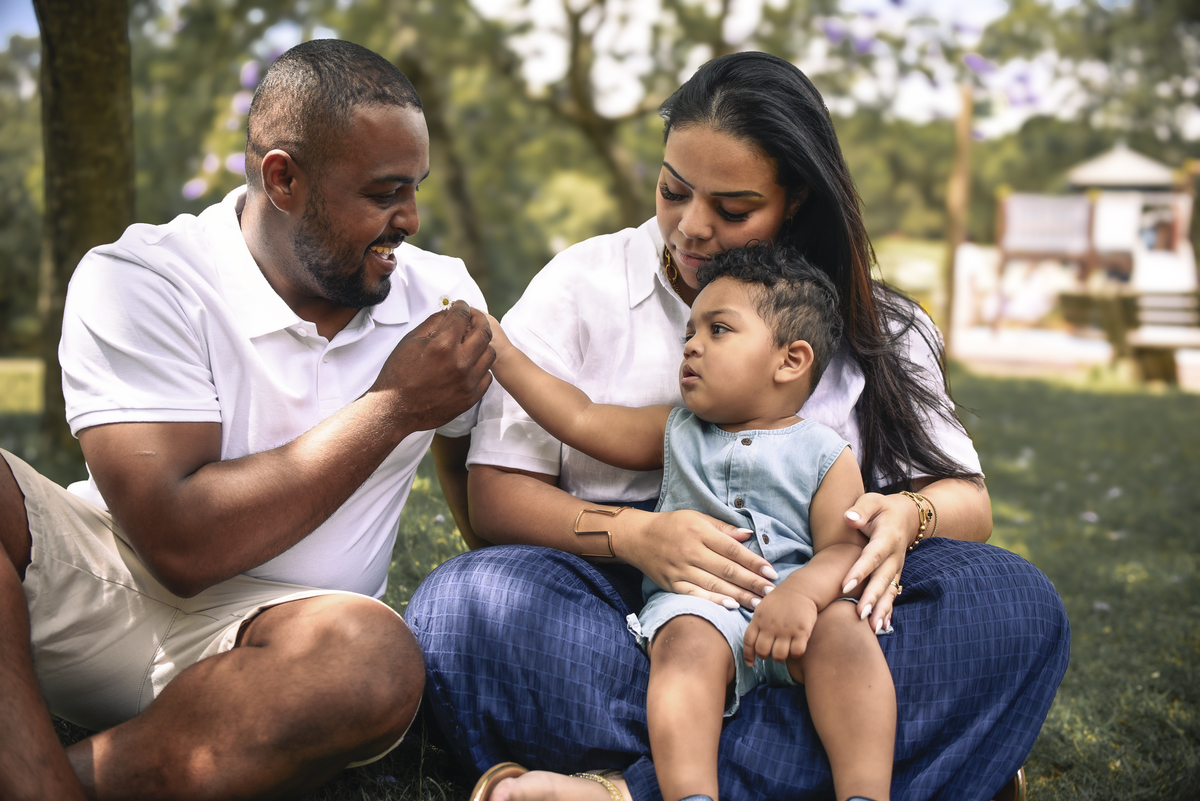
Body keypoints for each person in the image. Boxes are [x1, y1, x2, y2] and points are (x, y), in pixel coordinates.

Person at [406, 50, 1070, 801]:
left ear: (797, 201)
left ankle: (628, 791)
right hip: (638, 609)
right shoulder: (583, 286)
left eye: (732, 209)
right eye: (672, 191)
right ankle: (909, 761)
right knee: (463, 608)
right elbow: (500, 495)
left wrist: (906, 515)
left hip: (824, 605)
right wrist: (636, 535)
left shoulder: (881, 326)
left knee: (1014, 603)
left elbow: (966, 502)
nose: (691, 228)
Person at [0, 39, 494, 800]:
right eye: (384, 192)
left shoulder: (439, 298)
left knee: (373, 659)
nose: (411, 219)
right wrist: (394, 408)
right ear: (282, 178)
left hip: (298, 640)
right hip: (101, 588)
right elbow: (179, 544)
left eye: (415, 188)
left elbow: (484, 483)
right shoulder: (142, 281)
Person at [484, 242, 898, 801]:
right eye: (689, 334)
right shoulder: (676, 430)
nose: (692, 346)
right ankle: (691, 794)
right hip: (704, 605)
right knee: (684, 644)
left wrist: (801, 596)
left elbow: (844, 550)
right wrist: (503, 355)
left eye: (717, 330)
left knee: (847, 635)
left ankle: (865, 792)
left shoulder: (825, 452)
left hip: (802, 614)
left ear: (791, 360)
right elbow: (580, 418)